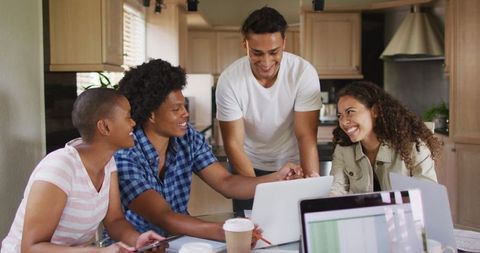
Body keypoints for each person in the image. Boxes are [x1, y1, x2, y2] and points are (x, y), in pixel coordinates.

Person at [112, 58, 302, 243]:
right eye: (176, 109)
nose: (185, 113)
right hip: (138, 246)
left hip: (179, 241)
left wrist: (277, 177)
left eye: (184, 106)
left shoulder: (188, 138)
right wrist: (222, 231)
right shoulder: (126, 153)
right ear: (151, 115)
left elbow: (226, 183)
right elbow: (164, 216)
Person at [1, 88, 165, 253]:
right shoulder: (59, 168)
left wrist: (138, 240)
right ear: (105, 127)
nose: (133, 123)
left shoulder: (108, 163)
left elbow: (115, 221)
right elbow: (31, 248)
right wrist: (100, 252)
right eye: (128, 117)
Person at [215, 6, 322, 212]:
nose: (266, 62)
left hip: (293, 166)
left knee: (297, 222)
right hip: (247, 163)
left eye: (274, 52)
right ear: (244, 44)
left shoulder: (303, 73)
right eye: (256, 53)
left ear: (284, 42)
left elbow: (306, 136)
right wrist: (259, 190)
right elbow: (233, 144)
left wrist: (311, 187)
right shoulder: (229, 80)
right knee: (252, 227)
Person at [330, 81, 441, 196]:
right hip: (361, 214)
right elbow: (337, 188)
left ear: (375, 111)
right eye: (340, 116)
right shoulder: (343, 149)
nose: (343, 121)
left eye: (350, 112)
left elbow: (428, 193)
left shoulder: (414, 144)